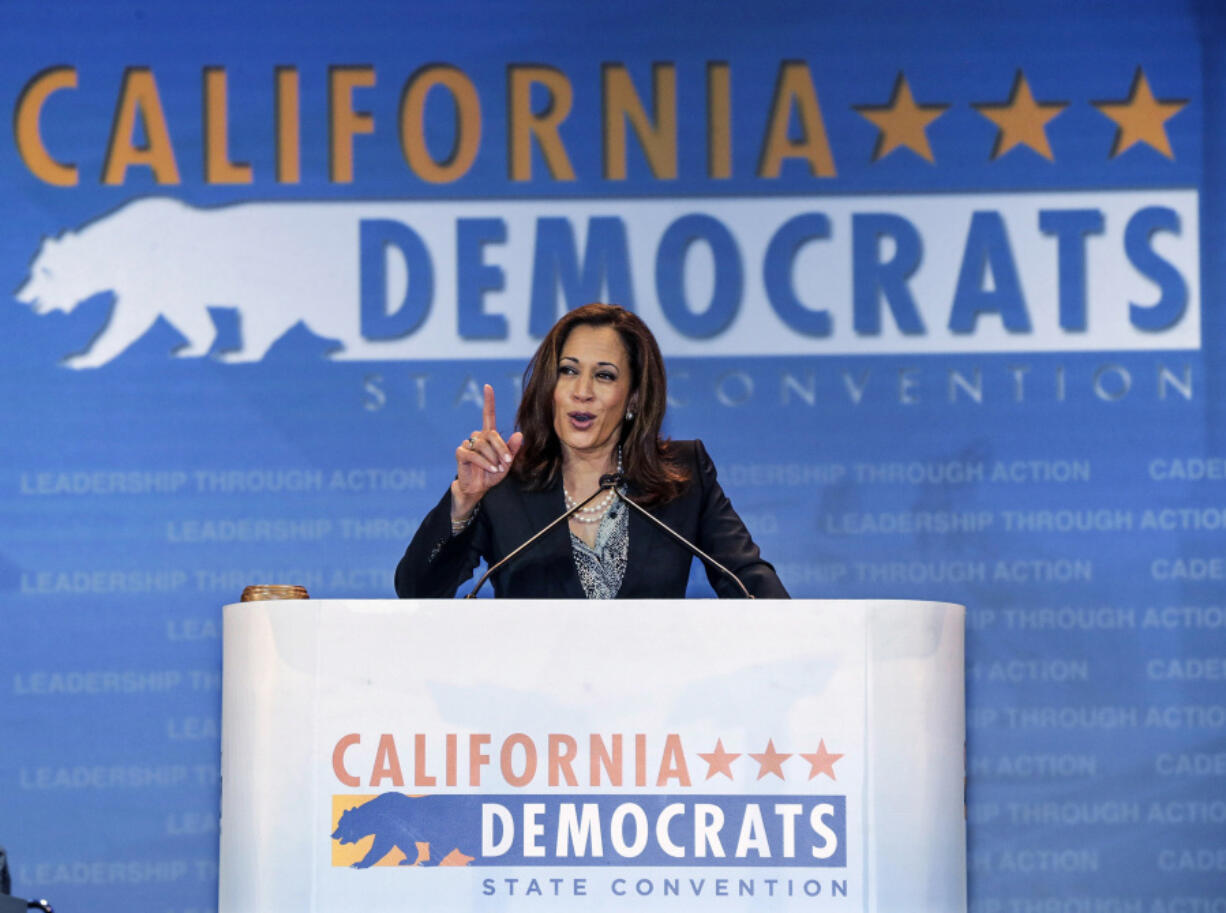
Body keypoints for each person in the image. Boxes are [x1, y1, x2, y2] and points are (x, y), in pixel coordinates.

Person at [395, 304, 788, 599]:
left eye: (604, 375)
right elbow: (417, 593)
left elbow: (753, 585)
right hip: (531, 703)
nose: (582, 390)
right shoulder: (505, 481)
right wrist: (464, 501)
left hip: (654, 701)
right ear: (550, 386)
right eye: (568, 370)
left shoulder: (684, 476)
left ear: (633, 399)